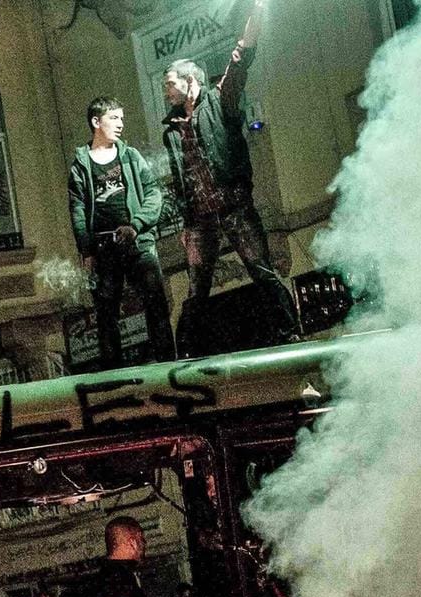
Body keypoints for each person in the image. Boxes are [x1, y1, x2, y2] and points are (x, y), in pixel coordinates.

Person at [161, 0, 302, 342]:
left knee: (263, 272)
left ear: (190, 81)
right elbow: (181, 180)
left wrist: (257, 11)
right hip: (199, 220)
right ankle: (188, 356)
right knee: (196, 291)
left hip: (234, 205)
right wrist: (184, 222)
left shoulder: (219, 100)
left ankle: (291, 334)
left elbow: (241, 59)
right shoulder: (172, 129)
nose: (166, 91)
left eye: (169, 83)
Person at [68, 97, 175, 368]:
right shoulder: (81, 166)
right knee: (106, 314)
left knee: (156, 302)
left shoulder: (130, 156)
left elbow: (153, 192)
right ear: (96, 122)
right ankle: (113, 376)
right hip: (103, 249)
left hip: (137, 242)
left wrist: (137, 225)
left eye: (122, 118)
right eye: (114, 118)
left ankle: (168, 364)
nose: (120, 124)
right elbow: (77, 210)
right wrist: (87, 251)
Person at [92, 515, 159, 597]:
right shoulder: (118, 575)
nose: (144, 544)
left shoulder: (111, 573)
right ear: (132, 542)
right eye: (142, 539)